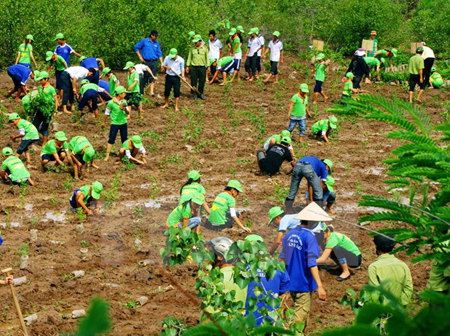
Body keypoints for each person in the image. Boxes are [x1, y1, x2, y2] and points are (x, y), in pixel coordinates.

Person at [281, 219, 326, 332]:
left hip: (290, 282)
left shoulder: (289, 234)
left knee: (303, 316)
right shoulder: (310, 237)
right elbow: (312, 263)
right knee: (297, 322)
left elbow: (282, 258)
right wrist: (320, 286)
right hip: (303, 284)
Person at [244, 235, 290, 326]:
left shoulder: (246, 268)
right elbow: (285, 293)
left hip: (250, 321)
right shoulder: (278, 266)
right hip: (272, 321)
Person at [202, 237, 248, 319]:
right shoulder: (242, 277)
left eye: (212, 254)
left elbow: (210, 315)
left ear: (219, 257)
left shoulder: (217, 279)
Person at [368, 235, 413, 306]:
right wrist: (401, 305)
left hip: (382, 311)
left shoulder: (373, 267)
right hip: (398, 310)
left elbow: (375, 292)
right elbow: (408, 288)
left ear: (377, 248)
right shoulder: (403, 265)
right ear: (393, 248)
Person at [102, 86, 130, 161]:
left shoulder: (124, 102)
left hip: (123, 122)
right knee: (111, 139)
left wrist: (124, 109)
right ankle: (107, 155)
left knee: (124, 139)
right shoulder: (111, 103)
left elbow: (128, 112)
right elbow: (106, 113)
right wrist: (103, 122)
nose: (125, 94)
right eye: (123, 93)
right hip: (115, 123)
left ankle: (125, 154)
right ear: (119, 94)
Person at [31, 71, 58, 146]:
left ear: (46, 79)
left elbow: (55, 100)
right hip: (40, 110)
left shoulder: (51, 89)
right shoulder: (40, 87)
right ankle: (35, 138)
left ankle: (44, 143)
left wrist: (55, 111)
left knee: (45, 127)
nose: (40, 81)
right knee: (34, 125)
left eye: (42, 79)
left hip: (48, 111)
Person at [134, 30, 163, 97]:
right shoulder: (144, 41)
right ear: (151, 35)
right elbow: (136, 47)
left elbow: (159, 53)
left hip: (154, 61)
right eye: (155, 36)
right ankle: (142, 90)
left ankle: (151, 92)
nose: (156, 37)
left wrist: (161, 63)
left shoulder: (157, 43)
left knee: (153, 76)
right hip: (146, 61)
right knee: (146, 76)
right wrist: (140, 57)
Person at [186, 35, 209, 100]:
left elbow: (207, 58)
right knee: (193, 81)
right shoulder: (192, 49)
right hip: (194, 67)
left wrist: (208, 66)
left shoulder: (205, 49)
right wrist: (187, 66)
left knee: (202, 81)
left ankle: (200, 94)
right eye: (194, 42)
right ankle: (193, 94)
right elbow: (189, 58)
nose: (195, 43)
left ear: (200, 41)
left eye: (196, 42)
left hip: (202, 67)